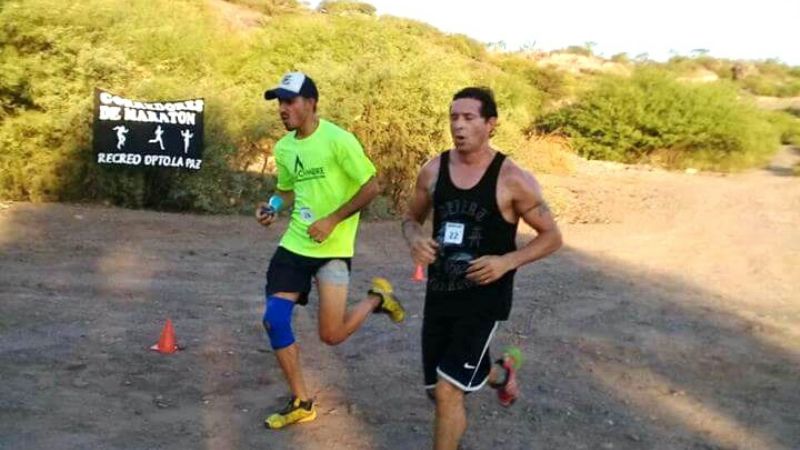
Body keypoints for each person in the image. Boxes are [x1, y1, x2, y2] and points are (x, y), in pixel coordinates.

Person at [402, 87, 563, 450]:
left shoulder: (513, 179)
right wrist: (414, 239)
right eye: (453, 117)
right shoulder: (433, 169)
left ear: (491, 124)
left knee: (447, 391)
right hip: (440, 295)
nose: (459, 126)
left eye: (469, 118)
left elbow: (552, 236)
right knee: (438, 391)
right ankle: (501, 372)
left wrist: (506, 261)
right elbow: (411, 219)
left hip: (484, 300)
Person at [256, 72, 405, 430]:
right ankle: (302, 401)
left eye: (290, 101)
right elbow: (286, 190)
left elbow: (372, 186)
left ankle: (376, 298)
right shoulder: (285, 147)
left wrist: (333, 219)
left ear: (311, 103)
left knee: (331, 335)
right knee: (274, 319)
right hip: (295, 244)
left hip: (333, 247)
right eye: (279, 102)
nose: (283, 109)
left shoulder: (339, 140)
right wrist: (274, 206)